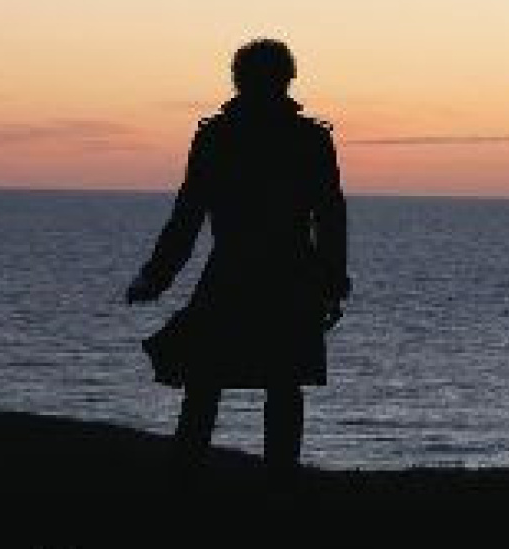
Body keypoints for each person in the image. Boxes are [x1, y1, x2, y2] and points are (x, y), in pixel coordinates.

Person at [126, 38, 349, 484]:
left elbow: (188, 215)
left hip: (235, 271)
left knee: (208, 382)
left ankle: (187, 479)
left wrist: (157, 276)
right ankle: (276, 484)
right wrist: (330, 279)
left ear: (238, 79)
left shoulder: (218, 136)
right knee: (277, 385)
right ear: (287, 79)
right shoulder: (308, 139)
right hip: (288, 274)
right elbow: (329, 217)